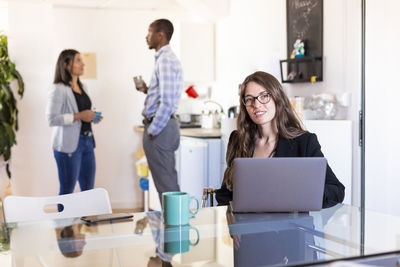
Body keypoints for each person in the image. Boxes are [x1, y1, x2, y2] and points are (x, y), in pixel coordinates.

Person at [216, 71, 345, 208]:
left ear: (278, 98)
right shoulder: (238, 140)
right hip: (246, 226)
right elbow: (225, 194)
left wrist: (301, 195)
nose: (256, 104)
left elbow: (336, 191)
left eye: (264, 96)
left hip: (291, 226)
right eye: (249, 99)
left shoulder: (304, 142)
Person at [136, 19, 183, 201]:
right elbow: (165, 94)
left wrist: (152, 131)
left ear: (160, 35)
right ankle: (172, 225)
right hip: (162, 127)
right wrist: (148, 90)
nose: (147, 37)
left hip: (160, 129)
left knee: (167, 186)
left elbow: (168, 102)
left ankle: (176, 228)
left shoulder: (165, 60)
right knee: (165, 184)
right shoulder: (165, 60)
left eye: (149, 32)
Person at [46, 49, 102, 201]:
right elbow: (51, 119)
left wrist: (91, 117)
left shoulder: (84, 87)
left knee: (88, 191)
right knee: (67, 192)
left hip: (87, 142)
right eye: (78, 60)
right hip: (69, 146)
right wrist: (80, 116)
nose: (83, 64)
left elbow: (82, 113)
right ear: (66, 64)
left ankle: (87, 224)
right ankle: (65, 226)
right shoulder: (58, 89)